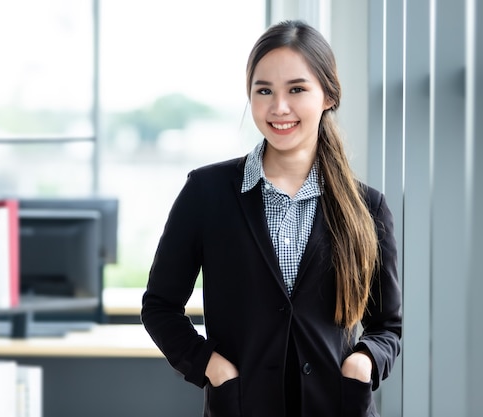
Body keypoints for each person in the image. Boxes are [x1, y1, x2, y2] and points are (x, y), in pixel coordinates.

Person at [141, 19, 402, 417]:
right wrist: (211, 366)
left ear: (328, 95)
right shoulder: (206, 192)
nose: (279, 107)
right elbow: (160, 306)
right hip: (242, 406)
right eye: (264, 91)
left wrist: (362, 362)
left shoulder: (367, 207)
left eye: (297, 89)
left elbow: (389, 325)